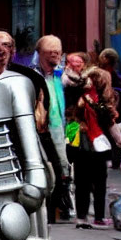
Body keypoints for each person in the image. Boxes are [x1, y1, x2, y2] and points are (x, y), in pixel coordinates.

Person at [68, 68, 121, 229]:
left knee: (81, 183)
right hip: (98, 145)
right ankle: (99, 217)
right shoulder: (101, 101)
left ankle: (81, 217)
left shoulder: (79, 97)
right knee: (99, 183)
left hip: (80, 145)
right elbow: (110, 123)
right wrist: (119, 141)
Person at [32, 34, 71, 221]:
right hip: (43, 129)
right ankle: (47, 210)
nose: (56, 54)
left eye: (58, 51)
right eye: (51, 51)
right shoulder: (34, 76)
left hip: (61, 127)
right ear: (40, 53)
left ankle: (56, 208)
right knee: (50, 169)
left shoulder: (60, 76)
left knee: (63, 167)